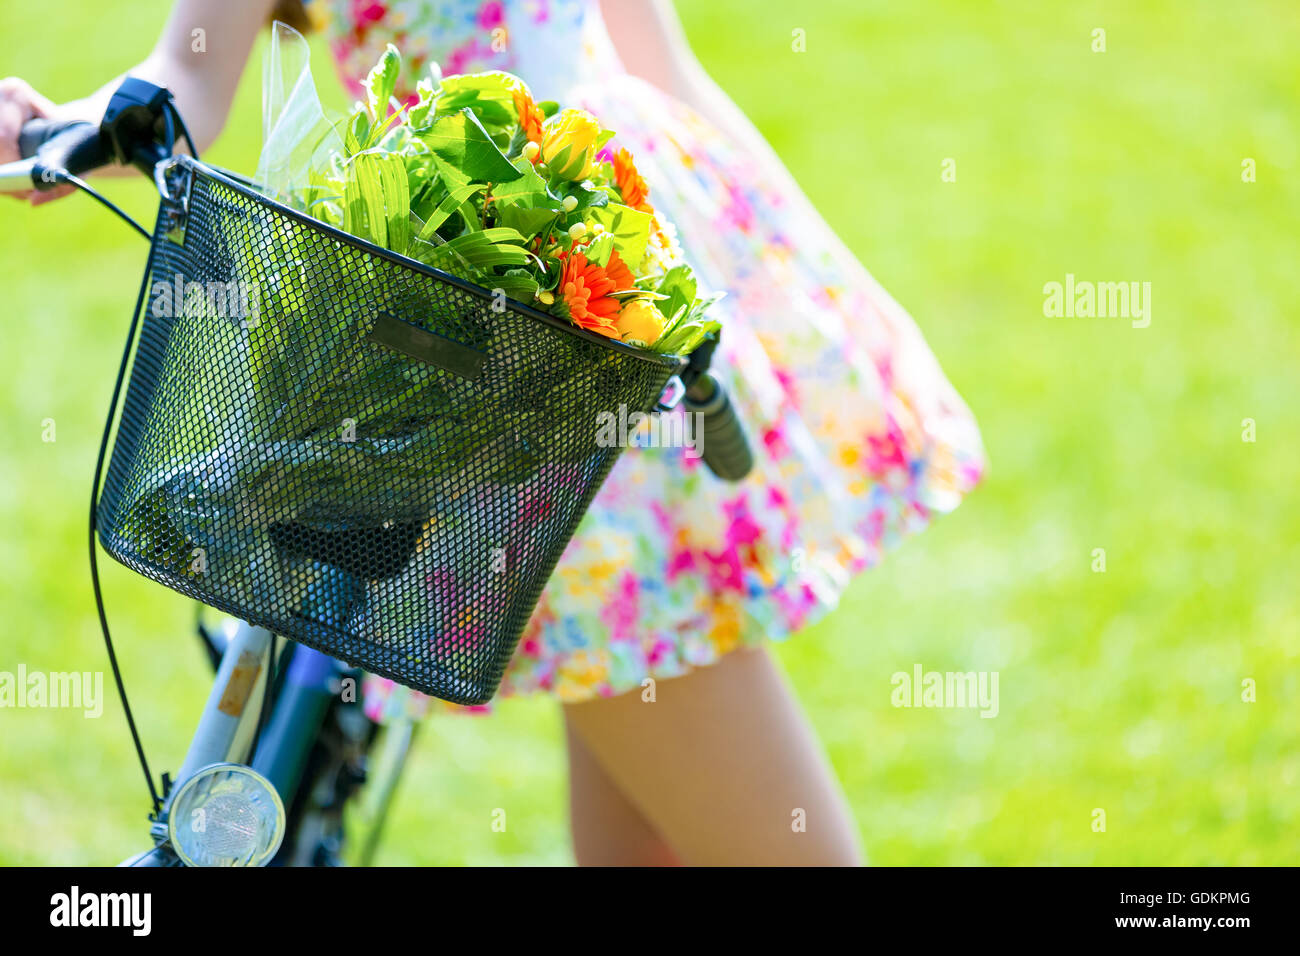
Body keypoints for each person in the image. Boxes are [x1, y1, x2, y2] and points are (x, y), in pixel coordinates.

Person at [0, 0, 984, 865]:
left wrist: (816, 286)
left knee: (652, 827)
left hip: (630, 296)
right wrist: (60, 131)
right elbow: (187, 73)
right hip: (502, 335)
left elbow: (660, 67)